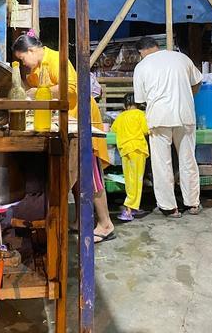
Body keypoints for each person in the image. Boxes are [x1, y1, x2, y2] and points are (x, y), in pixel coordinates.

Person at [12, 30, 115, 243]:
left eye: (23, 59)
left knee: (90, 171)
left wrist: (41, 91)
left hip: (83, 117)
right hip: (68, 122)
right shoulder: (37, 67)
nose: (24, 64)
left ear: (31, 50)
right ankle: (80, 219)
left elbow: (72, 88)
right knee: (77, 175)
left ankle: (106, 224)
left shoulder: (56, 58)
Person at [133, 37, 202, 218]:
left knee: (162, 163)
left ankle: (169, 208)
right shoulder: (181, 58)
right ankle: (193, 203)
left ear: (141, 52)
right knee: (188, 160)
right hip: (185, 114)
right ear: (157, 46)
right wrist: (186, 96)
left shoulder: (141, 67)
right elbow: (198, 81)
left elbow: (140, 100)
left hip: (159, 118)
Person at [111, 94, 149, 222]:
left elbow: (113, 129)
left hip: (125, 150)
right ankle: (129, 209)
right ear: (138, 103)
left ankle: (133, 206)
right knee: (137, 180)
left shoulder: (120, 116)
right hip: (137, 149)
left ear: (124, 105)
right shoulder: (140, 114)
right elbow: (146, 130)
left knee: (129, 180)